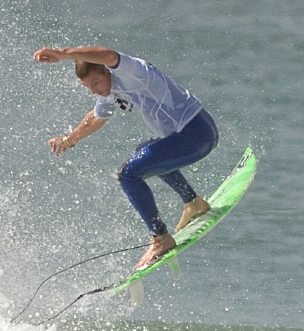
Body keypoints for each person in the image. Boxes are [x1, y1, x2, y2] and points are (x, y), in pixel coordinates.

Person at [33, 46, 219, 269]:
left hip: (196, 134)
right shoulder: (110, 92)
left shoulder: (133, 72)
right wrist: (67, 140)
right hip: (196, 133)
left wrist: (64, 55)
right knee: (145, 150)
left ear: (105, 71)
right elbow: (95, 117)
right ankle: (194, 203)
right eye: (88, 87)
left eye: (95, 83)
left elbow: (109, 55)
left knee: (129, 175)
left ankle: (160, 238)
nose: (94, 91)